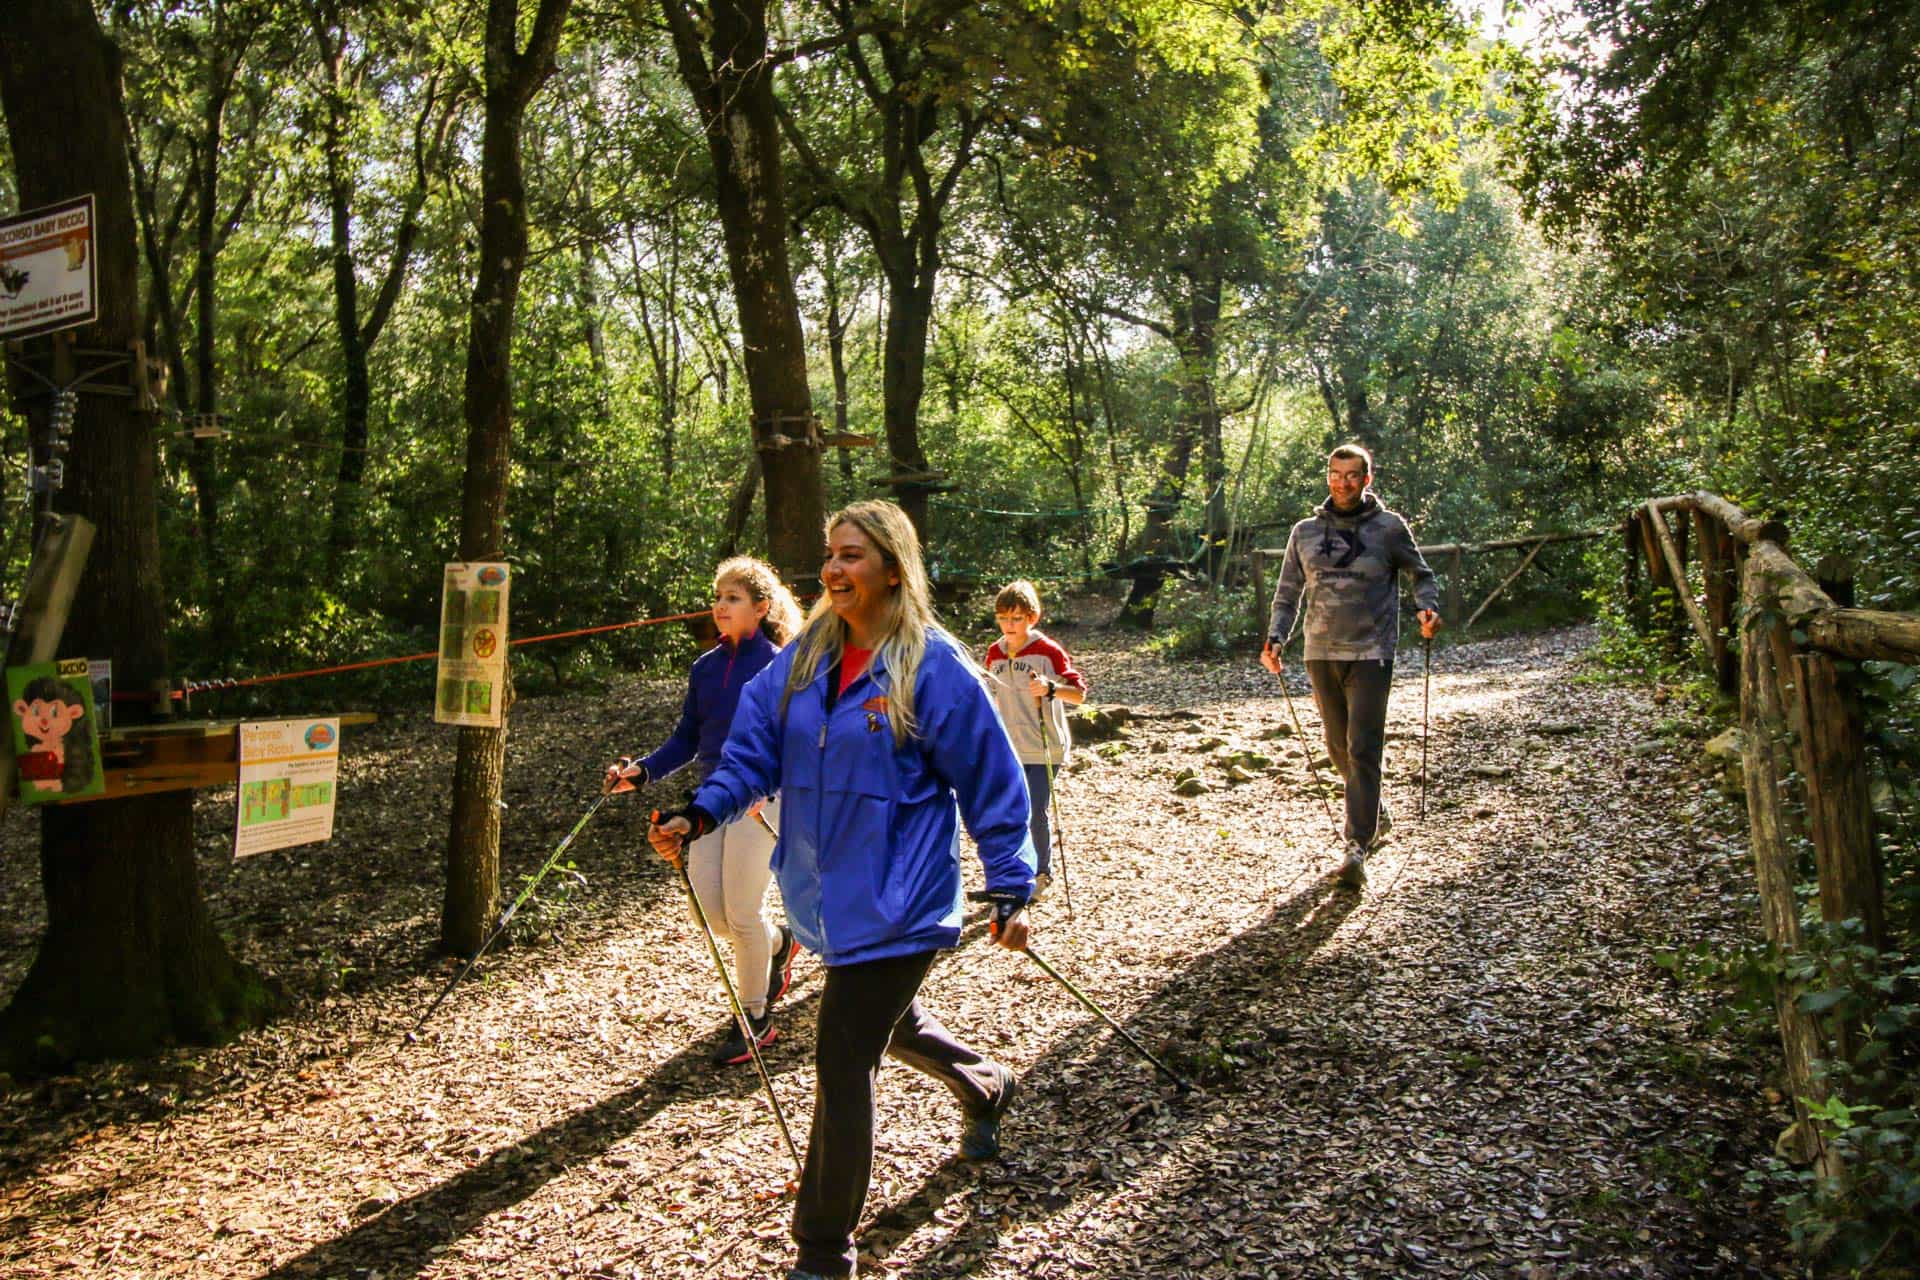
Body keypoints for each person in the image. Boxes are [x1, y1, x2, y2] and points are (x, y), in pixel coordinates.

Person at [648, 500, 1034, 1280]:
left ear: (893, 567)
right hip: (828, 900)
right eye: (830, 554)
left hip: (906, 901)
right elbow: (750, 757)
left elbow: (991, 778)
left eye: (852, 555)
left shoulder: (934, 665)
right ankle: (986, 1084)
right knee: (890, 1027)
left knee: (841, 1056)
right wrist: (697, 815)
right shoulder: (799, 664)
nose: (833, 568)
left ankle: (823, 1250)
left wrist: (1011, 880)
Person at [604, 556, 804, 1067]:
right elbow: (687, 740)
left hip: (762, 800)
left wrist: (771, 783)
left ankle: (755, 1019)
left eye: (733, 598)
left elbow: (795, 739)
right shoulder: (706, 667)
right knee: (711, 915)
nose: (720, 606)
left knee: (740, 915)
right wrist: (641, 772)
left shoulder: (780, 664)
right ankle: (780, 944)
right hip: (710, 802)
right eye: (717, 597)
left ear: (760, 608)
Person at [1260, 443, 1441, 889]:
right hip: (1320, 650)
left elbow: (1422, 574)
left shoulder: (1390, 528)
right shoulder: (1304, 532)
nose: (1343, 482)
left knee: (1362, 747)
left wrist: (1427, 608)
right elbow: (1288, 593)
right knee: (1337, 748)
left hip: (1372, 651)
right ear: (1328, 477)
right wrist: (1276, 637)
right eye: (1336, 474)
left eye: (1352, 475)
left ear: (1367, 479)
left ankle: (1356, 845)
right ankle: (1374, 811)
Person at [984, 580, 1088, 897]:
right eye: (1003, 618)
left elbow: (1079, 694)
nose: (1009, 625)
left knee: (1035, 810)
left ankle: (1042, 873)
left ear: (1032, 617)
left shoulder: (1047, 651)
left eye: (1016, 618)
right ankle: (1014, 873)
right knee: (1010, 812)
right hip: (1010, 747)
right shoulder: (994, 653)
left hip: (1045, 747)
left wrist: (1050, 689)